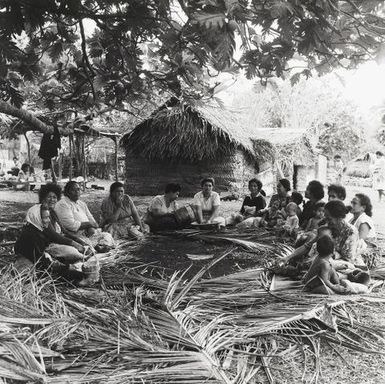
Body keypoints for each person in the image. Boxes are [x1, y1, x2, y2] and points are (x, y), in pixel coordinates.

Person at [14, 204, 90, 284]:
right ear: (36, 218)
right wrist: (67, 268)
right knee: (73, 275)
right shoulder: (32, 235)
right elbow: (42, 263)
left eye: (48, 217)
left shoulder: (37, 230)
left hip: (37, 260)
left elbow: (41, 256)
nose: (49, 220)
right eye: (45, 218)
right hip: (28, 265)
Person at [55, 181, 114, 251]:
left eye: (78, 189)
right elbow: (71, 225)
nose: (77, 192)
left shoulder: (81, 204)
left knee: (107, 236)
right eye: (73, 190)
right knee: (81, 246)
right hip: (75, 236)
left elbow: (93, 222)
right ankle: (95, 248)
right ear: (67, 192)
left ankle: (99, 246)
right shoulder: (63, 204)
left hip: (89, 234)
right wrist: (89, 225)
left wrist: (91, 226)